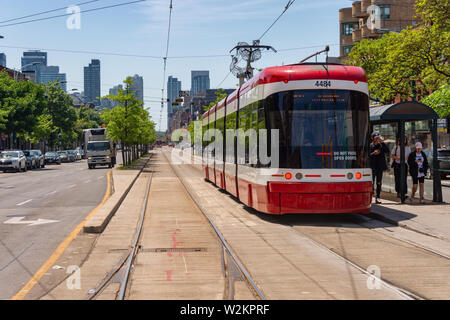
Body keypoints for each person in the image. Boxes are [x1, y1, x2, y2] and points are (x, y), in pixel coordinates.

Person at [370, 132, 390, 204]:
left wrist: (382, 142)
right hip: (372, 167)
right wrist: (373, 153)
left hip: (379, 167)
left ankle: (378, 197)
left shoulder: (381, 145)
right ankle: (370, 196)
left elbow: (387, 151)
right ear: (372, 138)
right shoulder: (370, 146)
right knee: (371, 183)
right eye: (376, 138)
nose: (377, 139)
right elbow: (367, 156)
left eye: (378, 138)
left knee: (379, 182)